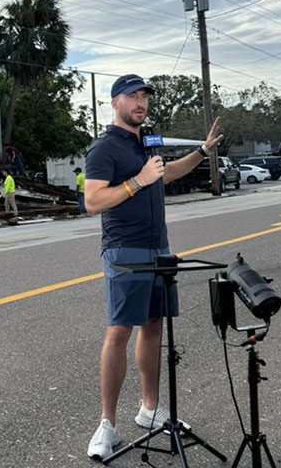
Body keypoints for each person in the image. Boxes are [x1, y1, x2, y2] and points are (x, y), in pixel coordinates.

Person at [84, 74, 223, 460]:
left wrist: (202, 151)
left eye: (144, 96)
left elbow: (169, 173)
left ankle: (149, 408)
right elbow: (93, 202)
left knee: (154, 325)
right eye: (132, 96)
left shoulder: (148, 141)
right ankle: (107, 424)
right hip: (123, 250)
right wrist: (137, 181)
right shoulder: (104, 148)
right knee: (119, 332)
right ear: (114, 102)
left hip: (158, 248)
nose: (140, 102)